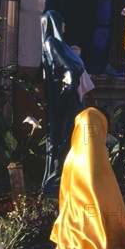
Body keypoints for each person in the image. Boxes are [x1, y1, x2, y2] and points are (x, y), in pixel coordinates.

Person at [50, 107, 125, 249]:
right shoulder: (96, 157)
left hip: (73, 234)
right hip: (101, 231)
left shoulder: (73, 156)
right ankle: (100, 243)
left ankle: (81, 242)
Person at [40, 10, 86, 194]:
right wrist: (77, 60)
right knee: (63, 136)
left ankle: (67, 175)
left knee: (70, 137)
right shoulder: (51, 43)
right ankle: (57, 178)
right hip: (64, 101)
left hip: (69, 98)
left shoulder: (59, 44)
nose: (64, 26)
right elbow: (69, 68)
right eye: (62, 22)